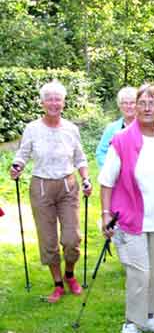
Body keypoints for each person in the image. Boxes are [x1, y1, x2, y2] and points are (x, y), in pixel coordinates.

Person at [98, 82, 154, 333]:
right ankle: (131, 324)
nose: (146, 107)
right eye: (142, 102)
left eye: (152, 102)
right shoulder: (121, 140)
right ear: (135, 107)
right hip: (130, 219)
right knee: (139, 273)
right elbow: (107, 181)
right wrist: (105, 214)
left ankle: (151, 316)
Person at [10, 80, 92, 302]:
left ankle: (70, 275)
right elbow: (23, 154)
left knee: (72, 238)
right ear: (42, 102)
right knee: (48, 240)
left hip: (68, 186)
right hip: (42, 187)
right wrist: (17, 166)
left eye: (58, 99)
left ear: (63, 102)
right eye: (49, 99)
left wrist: (86, 179)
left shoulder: (71, 129)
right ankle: (57, 284)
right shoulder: (32, 129)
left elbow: (80, 158)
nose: (54, 103)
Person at [95, 86, 137, 168]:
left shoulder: (145, 127)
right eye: (125, 103)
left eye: (132, 102)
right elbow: (101, 153)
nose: (128, 106)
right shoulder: (111, 128)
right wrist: (110, 169)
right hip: (117, 177)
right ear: (119, 105)